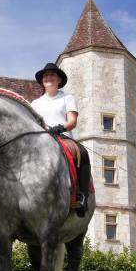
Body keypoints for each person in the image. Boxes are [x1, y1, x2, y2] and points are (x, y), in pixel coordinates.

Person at [31, 63, 91, 217]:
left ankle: (83, 195)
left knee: (83, 153)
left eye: (52, 75)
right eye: (45, 75)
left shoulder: (67, 98)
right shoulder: (35, 103)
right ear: (42, 81)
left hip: (61, 137)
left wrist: (60, 127)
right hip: (39, 138)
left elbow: (72, 121)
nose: (48, 77)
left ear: (59, 79)